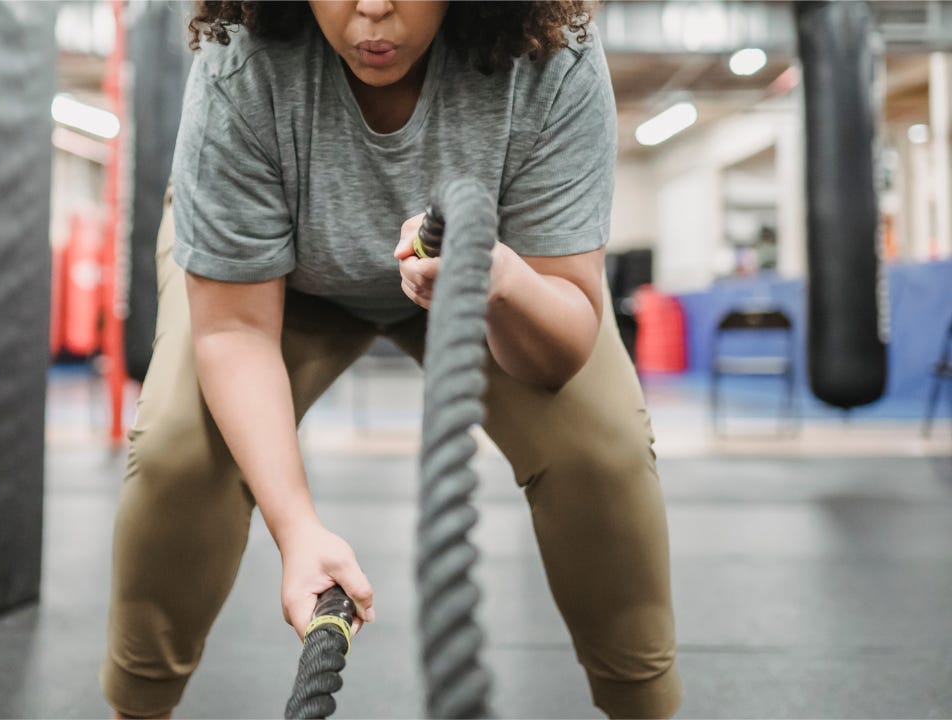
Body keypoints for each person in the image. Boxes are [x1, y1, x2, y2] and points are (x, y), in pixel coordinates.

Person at [99, 1, 681, 717]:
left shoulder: (551, 54)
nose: (373, 6)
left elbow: (559, 351)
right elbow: (234, 331)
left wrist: (502, 282)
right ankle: (139, 707)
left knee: (604, 453)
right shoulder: (242, 60)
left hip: (488, 277)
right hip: (279, 284)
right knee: (179, 454)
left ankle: (641, 707)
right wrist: (297, 529)